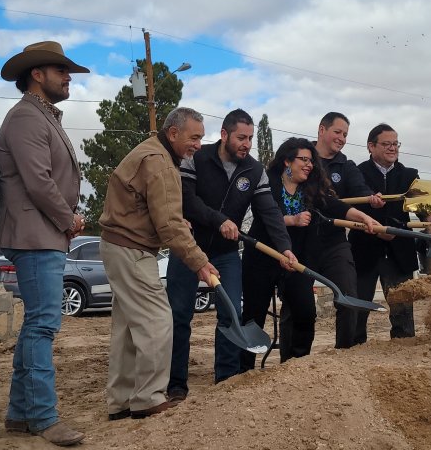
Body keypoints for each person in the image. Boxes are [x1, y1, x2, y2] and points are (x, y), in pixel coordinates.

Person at [0, 41, 90, 446]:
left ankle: (20, 414)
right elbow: (38, 181)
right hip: (36, 236)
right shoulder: (26, 118)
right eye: (61, 70)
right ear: (37, 74)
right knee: (43, 325)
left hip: (42, 234)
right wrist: (69, 220)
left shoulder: (40, 117)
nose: (68, 77)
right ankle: (44, 417)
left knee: (38, 323)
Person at [167, 109, 296, 400]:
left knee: (231, 315)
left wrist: (284, 248)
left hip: (226, 254)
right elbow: (186, 200)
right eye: (241, 137)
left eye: (250, 138)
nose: (247, 143)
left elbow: (271, 212)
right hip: (189, 248)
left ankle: (225, 379)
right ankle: (176, 384)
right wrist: (219, 220)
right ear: (224, 135)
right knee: (179, 315)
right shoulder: (196, 158)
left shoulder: (254, 170)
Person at [99, 107, 218, 420]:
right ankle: (148, 398)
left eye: (201, 138)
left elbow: (163, 218)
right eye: (194, 137)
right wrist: (200, 262)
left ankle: (121, 401)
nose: (198, 145)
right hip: (132, 250)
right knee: (158, 320)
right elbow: (169, 223)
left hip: (120, 246)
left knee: (127, 328)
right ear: (173, 133)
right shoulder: (159, 162)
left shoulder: (155, 154)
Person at [241, 137, 381, 364]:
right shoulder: (267, 182)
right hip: (263, 256)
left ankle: (298, 363)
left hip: (296, 260)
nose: (309, 165)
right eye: (303, 159)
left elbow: (337, 207)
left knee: (305, 312)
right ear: (287, 161)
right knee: (253, 316)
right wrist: (292, 220)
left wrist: (364, 218)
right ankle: (243, 369)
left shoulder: (312, 187)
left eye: (311, 160)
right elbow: (265, 215)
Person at [313, 112, 384, 348]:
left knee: (348, 297)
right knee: (298, 303)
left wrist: (370, 199)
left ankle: (345, 352)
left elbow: (360, 190)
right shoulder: (302, 157)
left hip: (334, 239)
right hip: (301, 239)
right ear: (322, 130)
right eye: (338, 132)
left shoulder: (346, 165)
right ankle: (294, 361)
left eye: (345, 134)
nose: (342, 138)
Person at [350, 124, 420, 340]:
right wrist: (377, 231)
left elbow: (421, 207)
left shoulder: (410, 176)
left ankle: (403, 351)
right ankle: (352, 351)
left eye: (395, 144)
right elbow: (351, 209)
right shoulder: (356, 173)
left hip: (399, 251)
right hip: (364, 251)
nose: (392, 148)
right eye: (386, 144)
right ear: (371, 146)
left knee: (403, 311)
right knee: (357, 308)